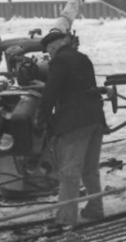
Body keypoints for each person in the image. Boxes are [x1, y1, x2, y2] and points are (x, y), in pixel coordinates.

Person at [36, 30, 106, 228]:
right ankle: (95, 208)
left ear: (53, 47)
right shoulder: (83, 58)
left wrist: (41, 119)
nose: (49, 55)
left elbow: (51, 92)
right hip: (95, 119)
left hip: (75, 123)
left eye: (49, 52)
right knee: (90, 170)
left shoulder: (59, 61)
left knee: (69, 172)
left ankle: (66, 218)